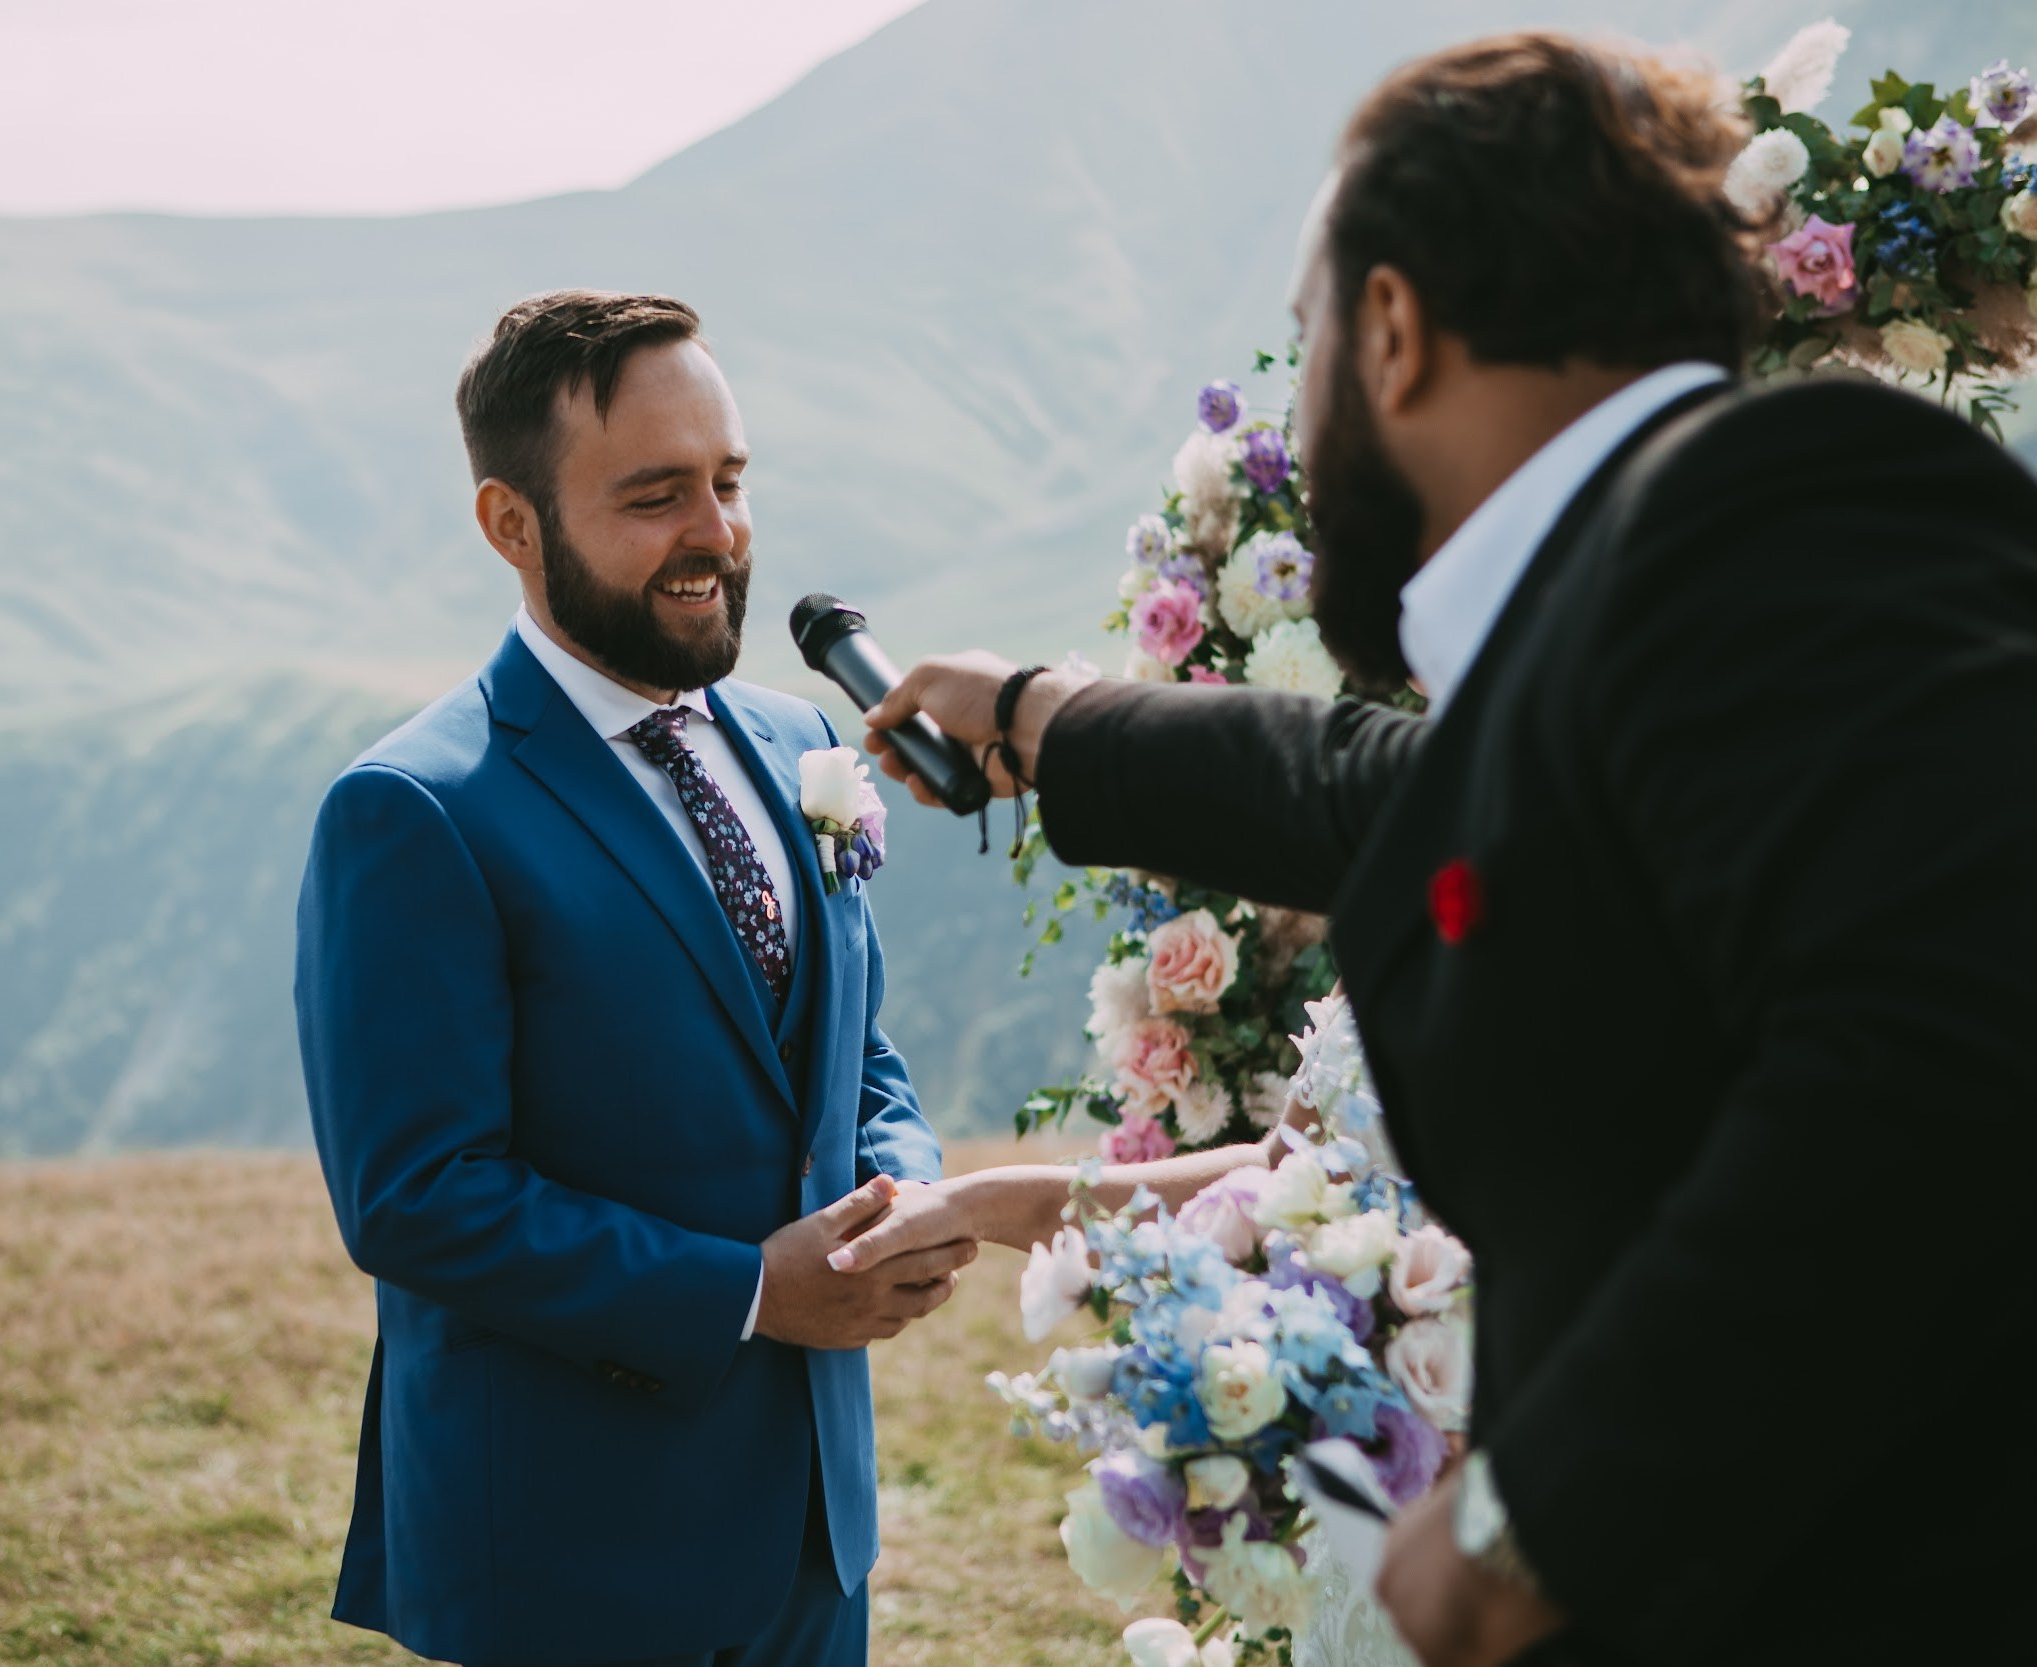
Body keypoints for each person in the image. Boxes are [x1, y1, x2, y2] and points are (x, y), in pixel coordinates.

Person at [843, 32, 2036, 1667]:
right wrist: (1046, 717)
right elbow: (1394, 800)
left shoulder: (1790, 498)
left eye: (1310, 338)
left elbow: (1951, 1036)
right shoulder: (1643, 599)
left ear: (1392, 328)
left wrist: (1539, 1522)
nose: (1313, 393)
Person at [293, 290, 965, 1667]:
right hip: (572, 1555)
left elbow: (850, 1049)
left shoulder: (796, 740)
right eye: (657, 495)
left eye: (728, 482)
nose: (715, 534)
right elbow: (416, 1199)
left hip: (814, 1538)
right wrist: (753, 1292)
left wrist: (902, 1191)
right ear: (510, 525)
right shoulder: (414, 810)